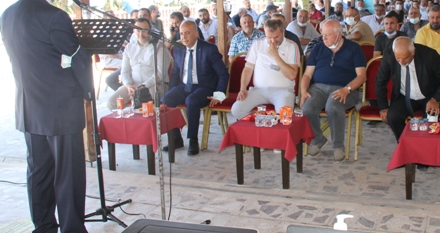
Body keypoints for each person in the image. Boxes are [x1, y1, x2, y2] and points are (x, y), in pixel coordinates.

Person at [0, 0, 107, 233]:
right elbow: (76, 57)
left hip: (29, 109)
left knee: (39, 174)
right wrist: (88, 91)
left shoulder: (8, 14)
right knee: (68, 176)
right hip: (60, 111)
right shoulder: (54, 17)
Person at [301, 20, 367, 162]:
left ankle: (338, 146)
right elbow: (307, 75)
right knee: (307, 108)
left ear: (338, 35)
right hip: (318, 87)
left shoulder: (354, 49)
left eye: (328, 35)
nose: (323, 38)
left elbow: (362, 76)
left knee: (333, 106)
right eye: (322, 34)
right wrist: (303, 91)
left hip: (345, 88)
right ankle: (318, 139)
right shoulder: (318, 48)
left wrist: (347, 89)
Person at [162, 20, 229, 156]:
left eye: (187, 33)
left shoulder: (209, 49)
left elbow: (223, 74)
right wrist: (171, 91)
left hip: (204, 87)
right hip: (184, 86)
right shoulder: (178, 48)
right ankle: (176, 138)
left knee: (191, 101)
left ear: (196, 34)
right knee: (165, 100)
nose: (183, 37)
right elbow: (175, 73)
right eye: (181, 34)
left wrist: (219, 95)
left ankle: (193, 140)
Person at [376, 37, 440, 142]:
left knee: (431, 119)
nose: (401, 62)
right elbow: (380, 81)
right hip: (404, 96)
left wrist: (436, 99)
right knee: (393, 116)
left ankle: (427, 146)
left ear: (413, 52)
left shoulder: (430, 55)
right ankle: (405, 144)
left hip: (430, 95)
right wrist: (383, 107)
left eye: (405, 58)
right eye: (398, 58)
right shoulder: (389, 55)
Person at [231, 18, 300, 119]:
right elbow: (248, 68)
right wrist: (243, 88)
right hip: (258, 90)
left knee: (285, 116)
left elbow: (292, 75)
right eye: (269, 37)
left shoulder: (292, 46)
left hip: (283, 91)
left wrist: (275, 55)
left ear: (283, 32)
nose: (273, 41)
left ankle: (270, 123)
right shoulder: (257, 43)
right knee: (236, 110)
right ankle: (262, 124)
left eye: (276, 37)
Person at [107, 18, 171, 110]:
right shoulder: (129, 47)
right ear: (134, 31)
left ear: (150, 30)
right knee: (111, 103)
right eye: (138, 30)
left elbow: (160, 74)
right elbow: (125, 71)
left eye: (144, 30)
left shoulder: (159, 46)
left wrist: (142, 87)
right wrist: (128, 85)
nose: (141, 34)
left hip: (154, 86)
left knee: (141, 100)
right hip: (133, 85)